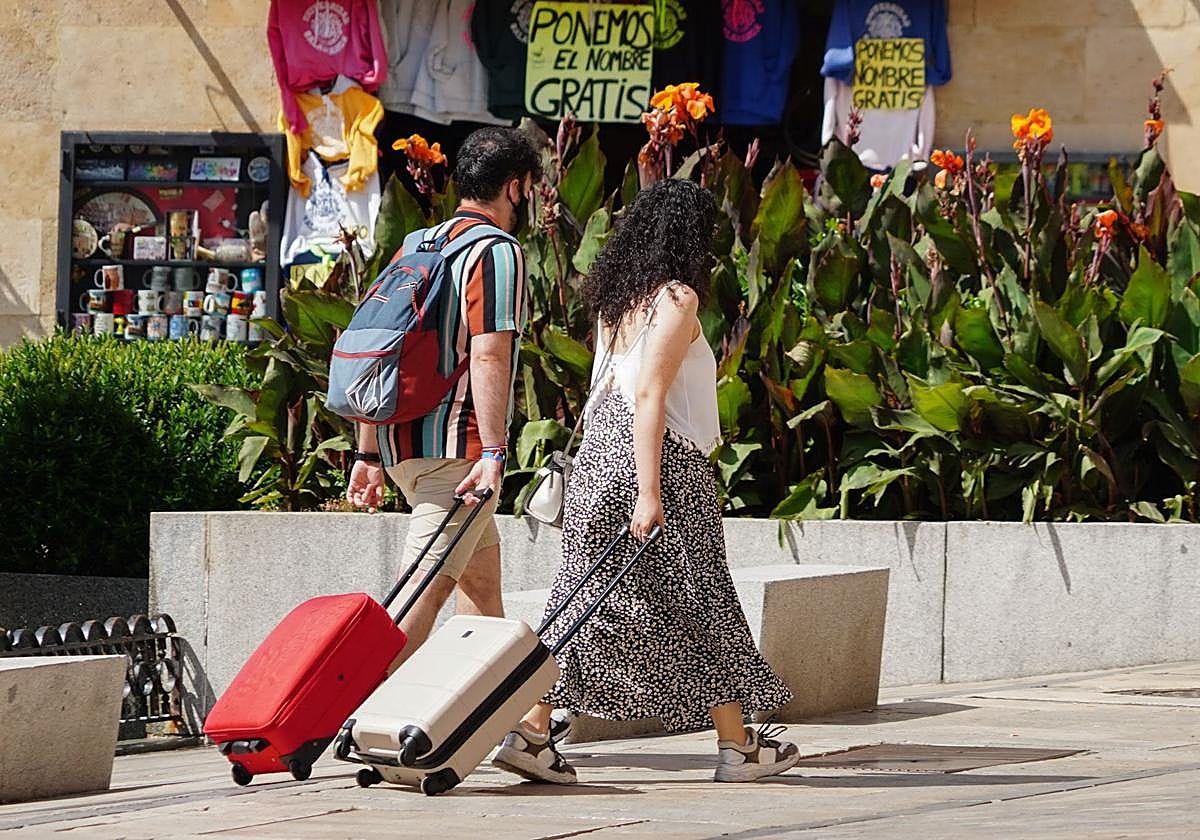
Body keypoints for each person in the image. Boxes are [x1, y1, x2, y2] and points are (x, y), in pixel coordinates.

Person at [492, 179, 800, 785]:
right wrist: (651, 489)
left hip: (599, 456)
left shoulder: (619, 301)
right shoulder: (677, 298)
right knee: (704, 599)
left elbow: (612, 390)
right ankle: (737, 750)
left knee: (582, 600)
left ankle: (532, 732)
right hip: (657, 460)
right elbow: (649, 394)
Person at [346, 126, 540, 666]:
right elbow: (490, 354)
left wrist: (367, 452)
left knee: (482, 594)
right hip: (459, 459)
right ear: (517, 187)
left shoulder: (417, 245)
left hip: (402, 448)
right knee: (417, 602)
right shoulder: (497, 251)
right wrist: (496, 453)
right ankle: (347, 721)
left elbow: (376, 345)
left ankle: (524, 736)